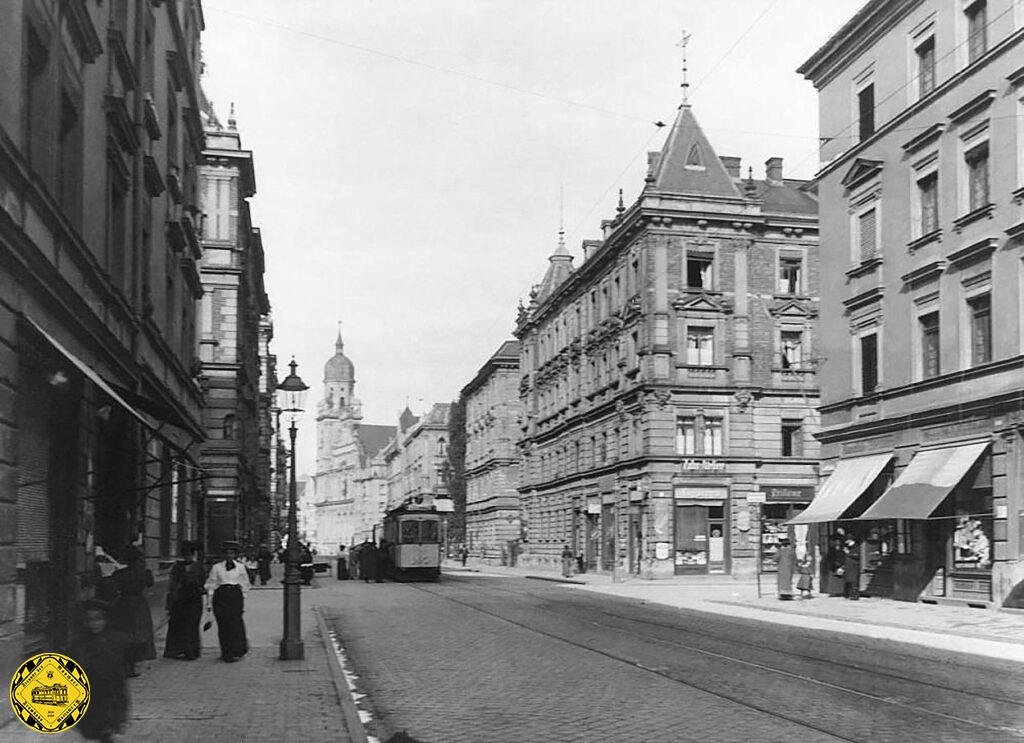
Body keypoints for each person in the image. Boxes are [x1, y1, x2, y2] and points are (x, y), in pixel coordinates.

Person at [71, 599, 130, 743]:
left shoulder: (115, 640)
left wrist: (121, 716)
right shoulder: (81, 641)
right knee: (90, 728)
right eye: (90, 620)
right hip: (90, 691)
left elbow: (120, 680)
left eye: (98, 619)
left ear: (106, 620)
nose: (94, 624)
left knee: (106, 727)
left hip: (109, 690)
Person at [111, 545, 156, 676]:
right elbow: (150, 583)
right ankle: (132, 665)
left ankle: (126, 665)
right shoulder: (145, 573)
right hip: (138, 604)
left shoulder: (119, 573)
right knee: (139, 634)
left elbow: (114, 585)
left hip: (123, 603)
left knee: (125, 633)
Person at [204, 541, 251, 662]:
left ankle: (237, 651)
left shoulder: (240, 567)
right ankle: (226, 652)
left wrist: (242, 596)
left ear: (235, 555)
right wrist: (209, 602)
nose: (229, 555)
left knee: (235, 623)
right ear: (224, 555)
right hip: (221, 596)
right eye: (227, 553)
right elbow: (211, 584)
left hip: (235, 596)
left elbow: (245, 583)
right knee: (224, 624)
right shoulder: (217, 567)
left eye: (232, 553)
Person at [163, 541, 206, 660]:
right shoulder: (177, 567)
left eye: (189, 554)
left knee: (192, 625)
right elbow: (172, 584)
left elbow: (204, 582)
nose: (187, 556)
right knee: (177, 624)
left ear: (193, 554)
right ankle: (176, 650)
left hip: (194, 600)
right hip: (179, 600)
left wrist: (198, 587)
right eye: (185, 554)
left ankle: (191, 651)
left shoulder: (198, 567)